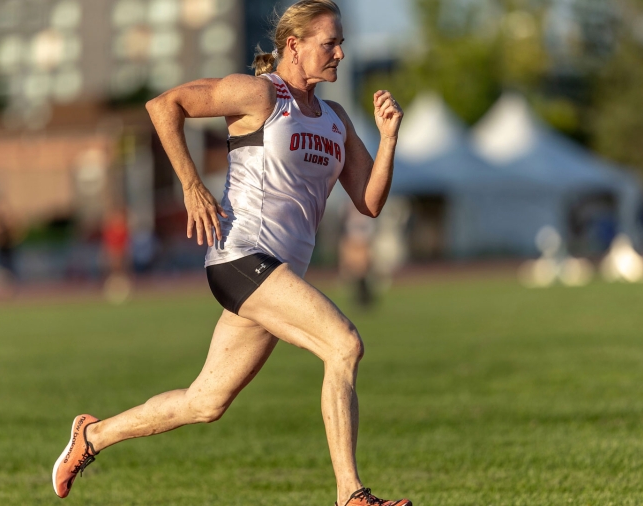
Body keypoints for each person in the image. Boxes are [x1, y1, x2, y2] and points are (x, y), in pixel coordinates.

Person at [52, 2, 409, 505]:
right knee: (343, 344)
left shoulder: (336, 119)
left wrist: (389, 138)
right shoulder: (260, 93)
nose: (340, 53)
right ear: (295, 46)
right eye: (330, 43)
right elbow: (163, 106)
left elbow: (369, 202)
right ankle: (351, 495)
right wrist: (191, 183)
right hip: (241, 259)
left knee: (205, 402)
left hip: (275, 277)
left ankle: (90, 437)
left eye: (340, 42)